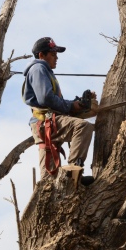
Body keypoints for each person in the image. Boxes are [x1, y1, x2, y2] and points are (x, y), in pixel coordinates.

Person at [22, 37, 96, 182]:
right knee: (82, 127)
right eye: (53, 54)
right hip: (45, 122)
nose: (56, 58)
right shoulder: (39, 68)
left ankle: (49, 196)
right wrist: (70, 105)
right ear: (41, 55)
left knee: (48, 181)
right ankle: (73, 174)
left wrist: (76, 103)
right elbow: (46, 98)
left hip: (46, 123)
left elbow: (53, 100)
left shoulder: (44, 71)